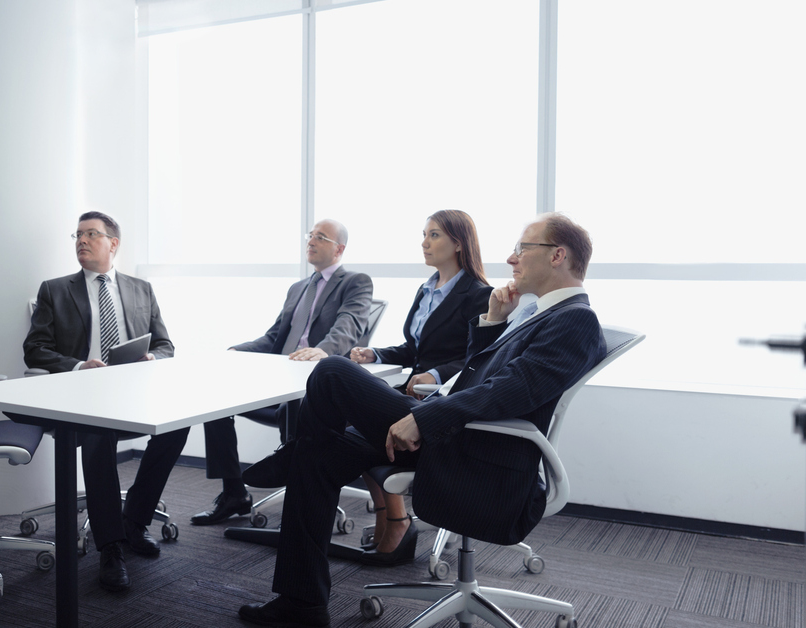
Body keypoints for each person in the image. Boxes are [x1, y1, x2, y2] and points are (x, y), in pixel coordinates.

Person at [238, 213, 606, 627]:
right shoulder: (537, 312)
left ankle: (288, 454)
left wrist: (424, 418)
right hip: (455, 430)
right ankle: (301, 604)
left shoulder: (575, 318)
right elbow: (482, 376)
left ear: (557, 255)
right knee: (316, 457)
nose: (511, 257)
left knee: (331, 372)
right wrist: (492, 321)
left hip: (472, 447)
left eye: (522, 248)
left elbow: (510, 391)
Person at [18, 211, 190, 592]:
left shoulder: (140, 288)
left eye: (91, 234)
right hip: (83, 395)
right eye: (77, 235)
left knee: (179, 424)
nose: (81, 240)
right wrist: (80, 365)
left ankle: (135, 520)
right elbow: (34, 350)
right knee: (97, 432)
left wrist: (153, 359)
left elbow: (166, 345)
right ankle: (110, 546)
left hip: (134, 392)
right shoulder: (55, 289)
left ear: (113, 243)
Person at [191, 219, 373, 526]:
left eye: (321, 237)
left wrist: (323, 350)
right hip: (278, 378)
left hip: (314, 384)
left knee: (298, 416)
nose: (311, 241)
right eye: (310, 236)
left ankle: (303, 496)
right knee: (215, 405)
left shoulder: (355, 282)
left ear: (339, 249)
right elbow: (274, 337)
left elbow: (350, 326)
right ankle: (234, 493)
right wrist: (236, 351)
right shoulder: (299, 288)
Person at [347, 209, 492, 565]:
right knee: (354, 423)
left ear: (458, 243)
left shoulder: (479, 295)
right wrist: (375, 352)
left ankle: (396, 520)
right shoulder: (426, 289)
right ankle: (390, 516)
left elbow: (482, 357)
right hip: (412, 393)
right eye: (424, 234)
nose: (425, 243)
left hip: (445, 401)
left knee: (362, 423)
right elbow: (414, 349)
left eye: (434, 235)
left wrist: (438, 374)